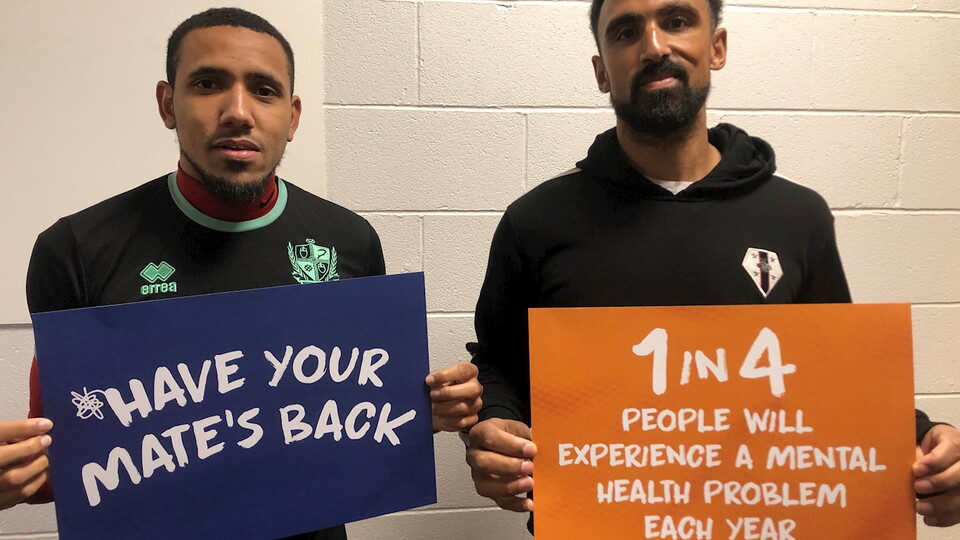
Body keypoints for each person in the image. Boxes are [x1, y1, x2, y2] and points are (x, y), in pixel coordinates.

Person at [465, 0, 960, 531]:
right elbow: (498, 361)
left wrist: (922, 442)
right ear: (602, 71)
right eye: (626, 32)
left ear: (716, 48)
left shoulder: (797, 217)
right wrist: (495, 422)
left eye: (676, 22)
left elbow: (838, 375)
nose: (654, 46)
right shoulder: (536, 222)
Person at [0, 7, 482, 539]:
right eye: (208, 84)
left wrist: (423, 405)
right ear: (168, 104)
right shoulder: (73, 249)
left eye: (264, 90)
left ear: (292, 117)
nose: (237, 111)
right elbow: (58, 457)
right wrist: (18, 472)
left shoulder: (350, 239)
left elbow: (355, 418)